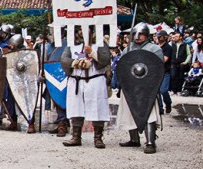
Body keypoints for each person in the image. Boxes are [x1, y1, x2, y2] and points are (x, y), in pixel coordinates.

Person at [117, 22, 165, 154]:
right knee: (130, 111)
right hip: (131, 86)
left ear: (147, 35)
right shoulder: (128, 49)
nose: (137, 37)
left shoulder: (154, 49)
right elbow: (122, 68)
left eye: (141, 34)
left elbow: (158, 69)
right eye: (135, 34)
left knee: (149, 113)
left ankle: (150, 142)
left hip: (148, 87)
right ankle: (134, 139)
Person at [60, 27, 111, 148]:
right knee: (76, 108)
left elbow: (105, 59)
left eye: (85, 29)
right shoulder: (71, 44)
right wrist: (75, 63)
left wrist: (92, 52)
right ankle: (76, 137)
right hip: (77, 80)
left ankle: (98, 138)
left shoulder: (100, 43)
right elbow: (64, 59)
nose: (82, 32)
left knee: (97, 108)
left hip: (95, 80)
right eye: (80, 29)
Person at [156, 30, 173, 114]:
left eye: (160, 36)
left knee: (163, 90)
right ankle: (160, 108)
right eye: (158, 36)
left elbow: (165, 59)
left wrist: (154, 60)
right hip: (156, 71)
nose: (158, 38)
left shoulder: (168, 47)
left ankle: (168, 103)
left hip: (165, 71)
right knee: (156, 90)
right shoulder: (156, 46)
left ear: (165, 37)